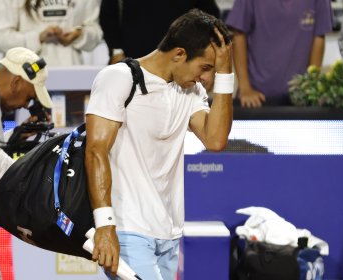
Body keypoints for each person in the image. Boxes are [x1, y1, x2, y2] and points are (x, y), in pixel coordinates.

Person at [85, 9, 233, 280]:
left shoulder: (191, 90)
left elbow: (215, 140)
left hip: (170, 233)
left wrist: (225, 72)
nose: (206, 78)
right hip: (127, 229)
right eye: (205, 67)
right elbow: (96, 151)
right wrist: (105, 226)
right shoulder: (117, 78)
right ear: (179, 54)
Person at [0, 47, 52, 280]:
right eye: (29, 97)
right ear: (17, 81)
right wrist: (22, 177)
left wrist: (15, 137)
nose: (24, 105)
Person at [225, 0, 333, 107]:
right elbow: (238, 34)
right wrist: (245, 88)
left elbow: (319, 36)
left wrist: (311, 85)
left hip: (300, 98)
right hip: (257, 97)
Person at [99, 0, 220, 64]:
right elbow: (108, 15)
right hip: (133, 60)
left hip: (181, 62)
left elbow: (210, 18)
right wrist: (116, 51)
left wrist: (206, 63)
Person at [0, 0, 102, 66]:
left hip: (72, 77)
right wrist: (37, 37)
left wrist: (79, 35)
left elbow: (96, 32)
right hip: (26, 80)